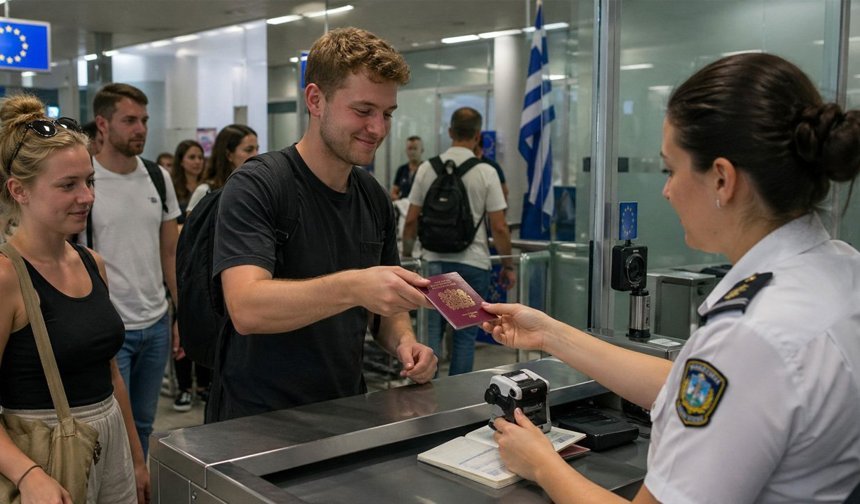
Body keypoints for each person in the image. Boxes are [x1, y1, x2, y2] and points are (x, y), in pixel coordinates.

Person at [482, 53, 860, 503]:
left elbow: (733, 372)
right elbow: (691, 386)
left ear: (722, 179)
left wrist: (541, 463)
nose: (666, 190)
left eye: (670, 169)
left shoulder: (750, 334)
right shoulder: (839, 268)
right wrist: (549, 334)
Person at [207, 27, 437, 423]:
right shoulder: (258, 185)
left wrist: (405, 342)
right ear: (316, 100)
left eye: (386, 114)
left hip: (344, 408)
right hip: (257, 420)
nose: (379, 129)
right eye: (363, 111)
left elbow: (383, 311)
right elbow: (246, 307)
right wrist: (355, 286)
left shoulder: (372, 197)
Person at [0, 95, 148, 502]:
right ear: (20, 191)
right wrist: (28, 475)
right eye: (68, 185)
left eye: (89, 181)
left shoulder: (91, 263)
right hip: (45, 453)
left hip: (111, 445)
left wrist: (136, 459)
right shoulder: (7, 278)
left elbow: (112, 374)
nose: (87, 197)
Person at [83, 83, 182, 458]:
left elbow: (170, 253)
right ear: (102, 124)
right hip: (110, 326)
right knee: (109, 427)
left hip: (155, 322)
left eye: (144, 120)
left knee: (143, 422)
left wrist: (179, 312)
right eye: (129, 120)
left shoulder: (158, 177)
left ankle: (138, 490)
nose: (140, 128)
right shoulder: (85, 179)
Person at [403, 107, 516, 375]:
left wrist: (409, 257)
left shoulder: (426, 169)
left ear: (451, 132)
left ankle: (427, 391)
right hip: (473, 263)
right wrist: (508, 265)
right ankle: (457, 401)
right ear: (477, 136)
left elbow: (410, 220)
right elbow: (499, 227)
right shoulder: (486, 172)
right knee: (465, 337)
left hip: (432, 264)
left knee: (430, 332)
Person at [185, 124, 258, 214]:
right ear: (229, 155)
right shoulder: (205, 191)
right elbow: (191, 227)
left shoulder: (254, 188)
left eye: (257, 149)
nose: (256, 154)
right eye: (249, 150)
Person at [170, 140, 204, 225]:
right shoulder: (172, 187)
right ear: (181, 161)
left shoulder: (207, 186)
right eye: (192, 157)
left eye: (200, 157)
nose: (197, 162)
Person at [390, 135, 423, 200]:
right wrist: (401, 201)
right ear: (406, 150)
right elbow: (393, 193)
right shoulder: (401, 170)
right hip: (403, 207)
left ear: (422, 150)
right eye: (410, 149)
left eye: (415, 148)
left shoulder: (426, 169)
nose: (412, 152)